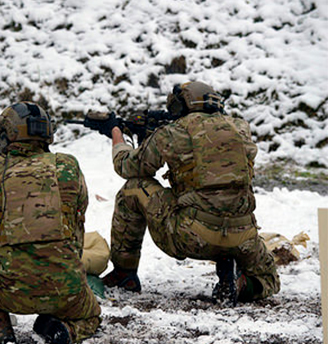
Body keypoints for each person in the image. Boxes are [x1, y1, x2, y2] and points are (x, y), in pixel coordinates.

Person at [0, 102, 101, 344]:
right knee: (91, 317)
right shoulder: (68, 166)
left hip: (7, 292)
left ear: (6, 134)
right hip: (67, 291)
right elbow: (77, 213)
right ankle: (65, 330)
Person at [102, 81, 280, 305]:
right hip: (243, 237)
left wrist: (117, 135)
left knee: (134, 188)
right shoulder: (240, 128)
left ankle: (124, 274)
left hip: (192, 237)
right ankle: (242, 284)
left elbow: (127, 166)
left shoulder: (172, 132)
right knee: (269, 279)